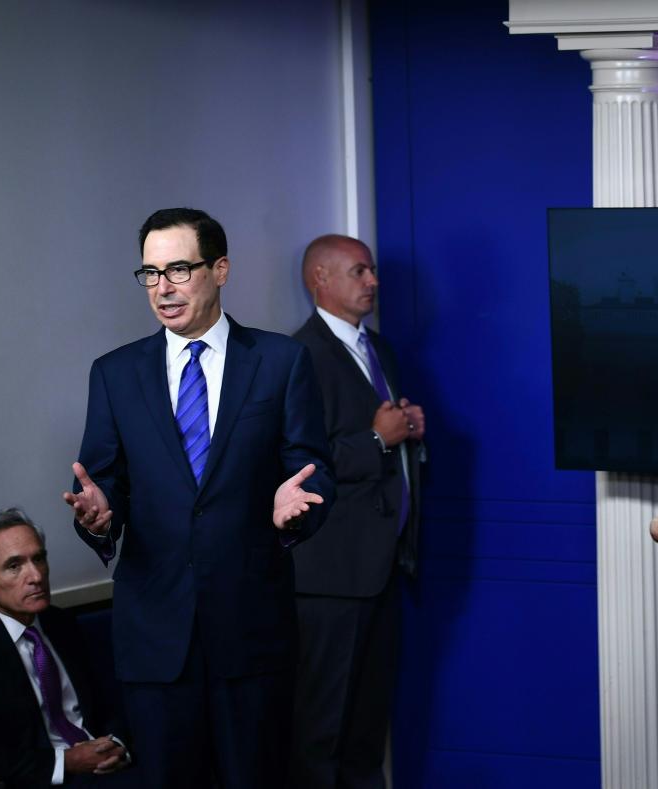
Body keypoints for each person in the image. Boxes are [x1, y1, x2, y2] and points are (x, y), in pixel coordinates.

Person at [61, 208, 335, 789]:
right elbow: (103, 486)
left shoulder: (281, 362)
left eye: (180, 269)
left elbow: (314, 470)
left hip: (251, 635)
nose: (163, 288)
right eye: (151, 273)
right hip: (155, 641)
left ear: (221, 269)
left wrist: (297, 508)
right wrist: (100, 518)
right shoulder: (114, 373)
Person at [287, 234, 425, 789]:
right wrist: (375, 439)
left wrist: (410, 432)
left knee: (368, 723)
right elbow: (294, 463)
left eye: (372, 271)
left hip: (383, 565)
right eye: (359, 271)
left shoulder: (380, 349)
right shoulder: (298, 357)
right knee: (323, 726)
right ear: (320, 279)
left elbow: (389, 442)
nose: (373, 281)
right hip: (330, 576)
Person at [0, 508, 129, 787]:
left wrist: (117, 743)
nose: (35, 576)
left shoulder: (62, 624)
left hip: (107, 766)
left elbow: (110, 701)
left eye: (39, 558)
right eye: (15, 566)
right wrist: (66, 761)